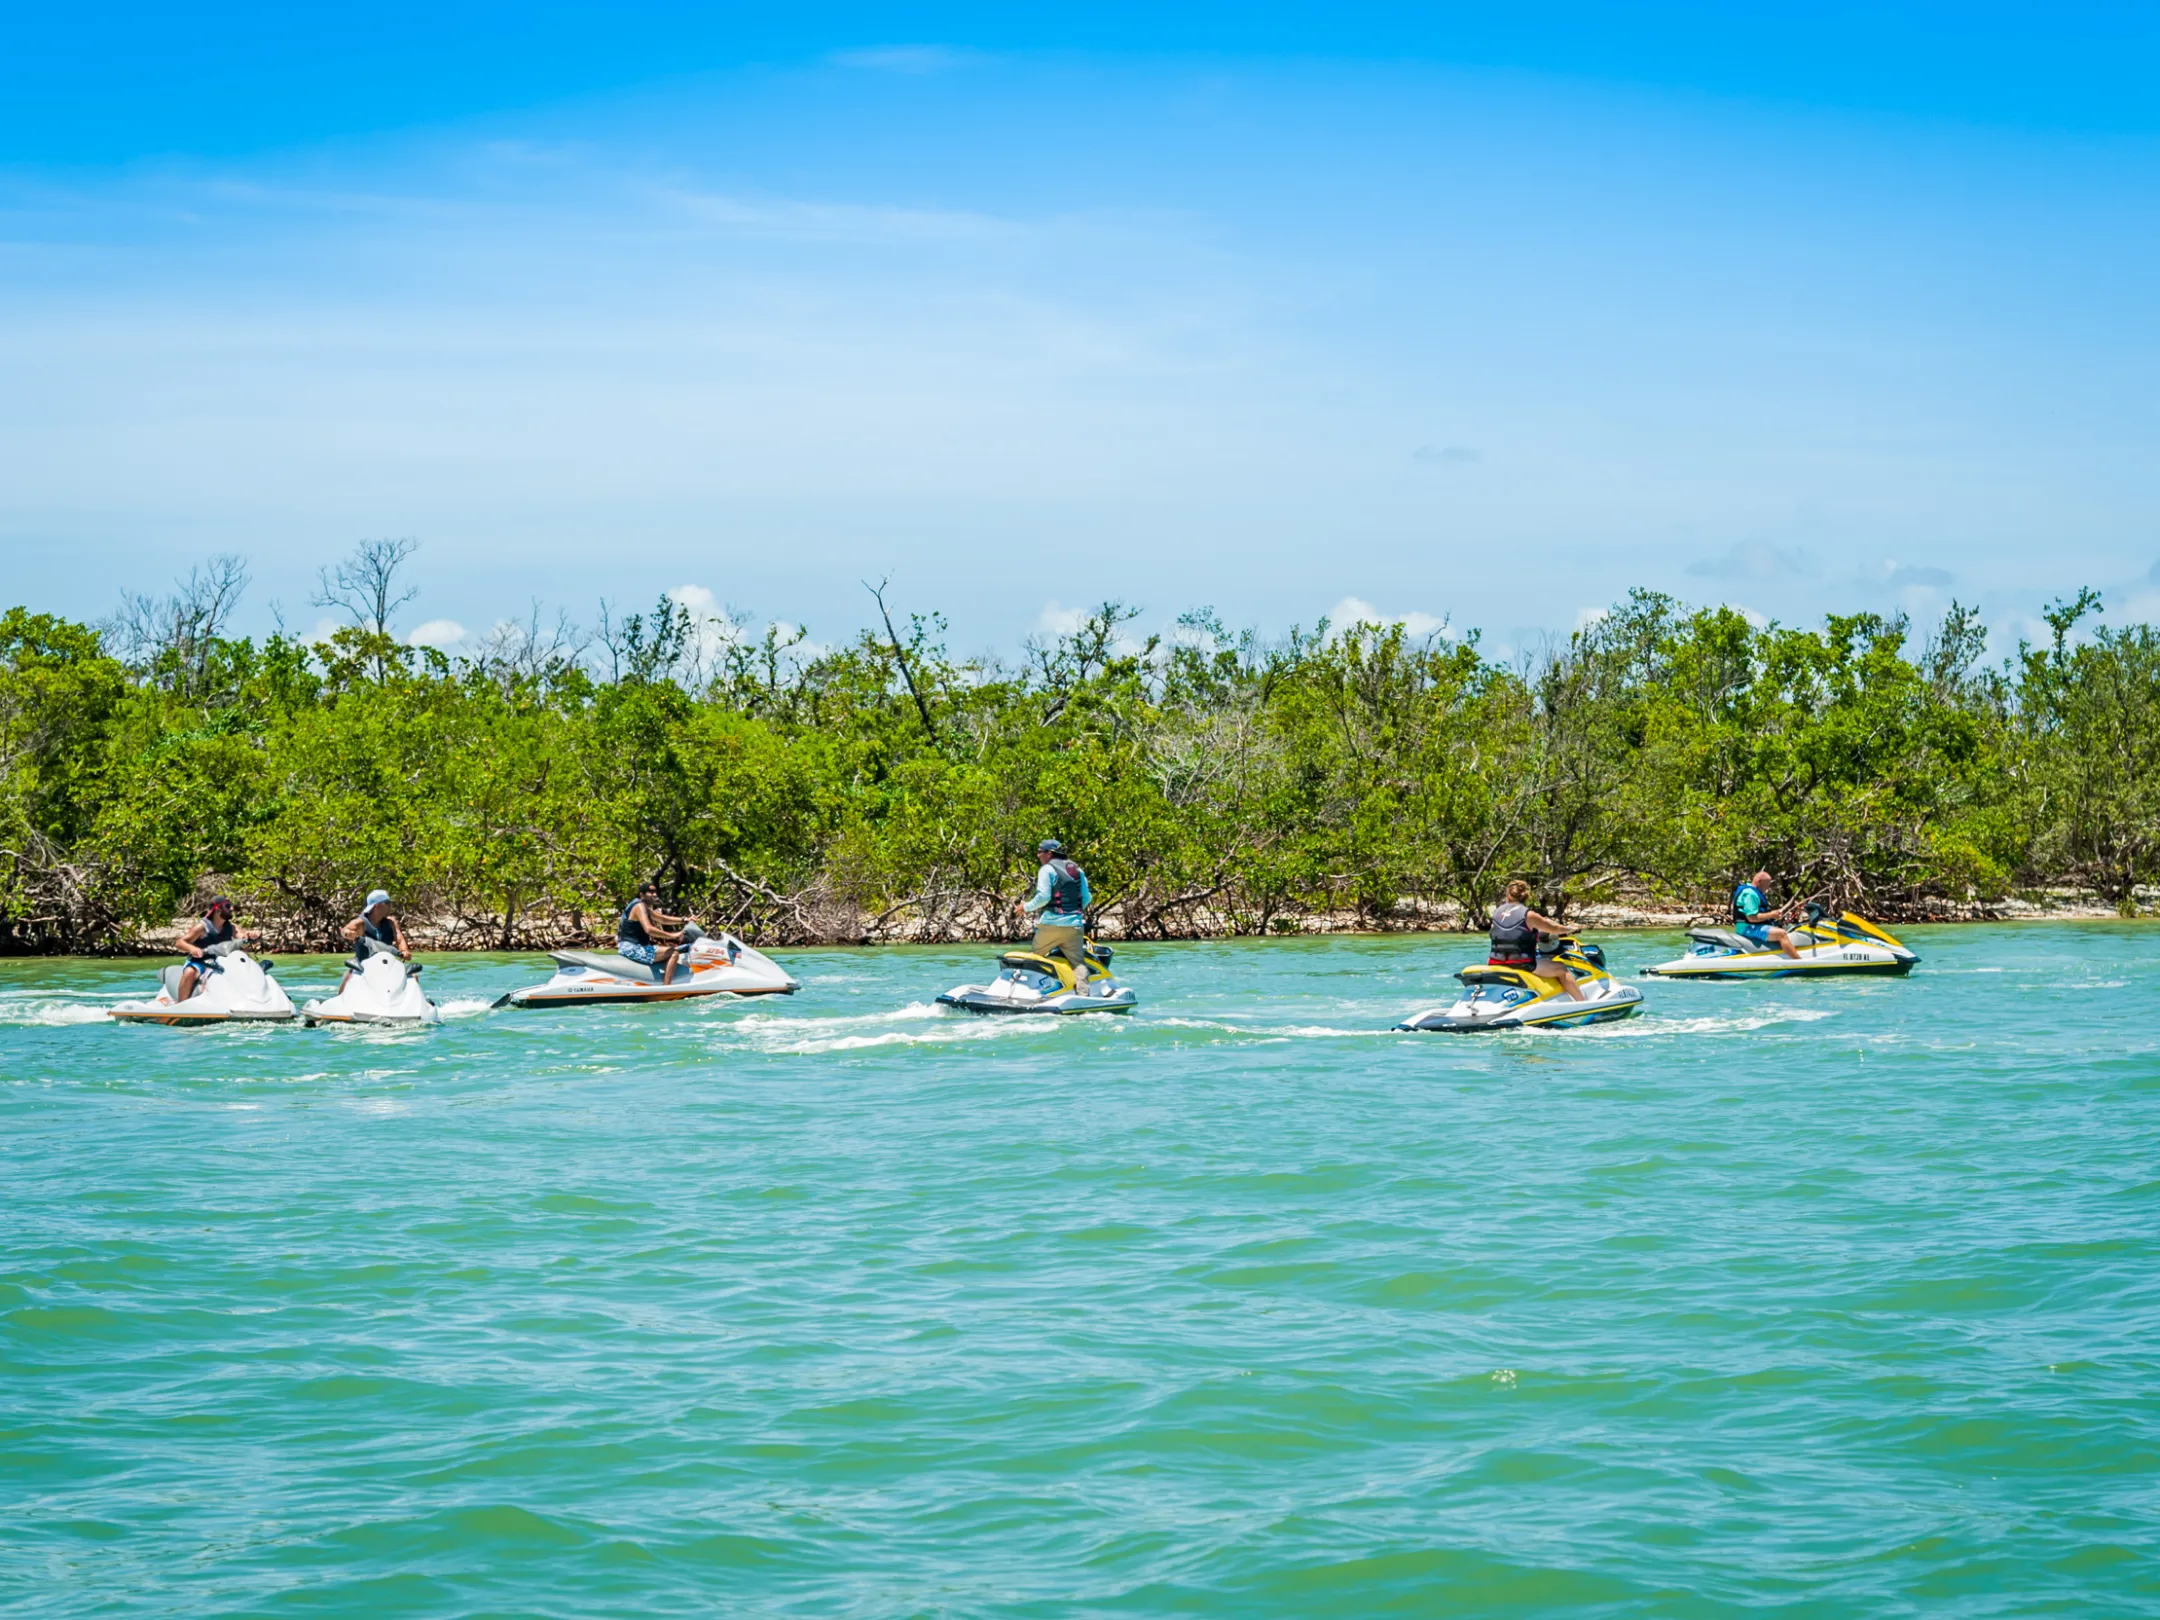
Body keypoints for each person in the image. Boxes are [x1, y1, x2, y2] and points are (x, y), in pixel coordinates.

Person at [1488, 879, 1586, 1000]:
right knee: (1561, 968)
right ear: (1526, 896)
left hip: (1495, 962)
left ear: (1507, 895)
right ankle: (1582, 1003)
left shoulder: (1497, 913)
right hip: (1521, 964)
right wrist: (1570, 928)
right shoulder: (1529, 915)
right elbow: (1554, 928)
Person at [1016, 839, 1093, 992]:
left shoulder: (1047, 869)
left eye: (1040, 852)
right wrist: (1073, 914)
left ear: (1049, 853)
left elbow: (1043, 897)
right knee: (1078, 963)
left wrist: (1025, 907)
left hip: (1051, 924)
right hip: (1075, 925)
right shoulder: (1078, 869)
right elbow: (1087, 898)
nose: (1038, 856)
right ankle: (1083, 997)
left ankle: (1026, 992)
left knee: (1033, 957)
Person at [174, 897, 260, 1002]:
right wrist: (192, 948)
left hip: (223, 961)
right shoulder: (202, 927)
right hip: (201, 961)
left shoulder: (231, 927)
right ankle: (181, 1005)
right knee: (189, 972)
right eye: (228, 906)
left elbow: (243, 938)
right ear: (218, 910)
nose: (232, 908)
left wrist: (251, 936)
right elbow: (179, 942)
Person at [338, 889, 413, 992]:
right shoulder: (361, 923)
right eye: (388, 903)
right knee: (349, 976)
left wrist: (404, 950)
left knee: (414, 976)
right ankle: (339, 1000)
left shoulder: (391, 923)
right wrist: (347, 934)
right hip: (363, 966)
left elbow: (399, 939)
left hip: (387, 965)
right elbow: (344, 930)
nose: (391, 906)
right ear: (378, 905)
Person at [618, 880, 690, 984]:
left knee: (675, 949)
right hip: (631, 948)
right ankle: (667, 988)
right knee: (673, 952)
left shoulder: (643, 906)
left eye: (655, 891)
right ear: (641, 894)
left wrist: (684, 920)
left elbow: (662, 919)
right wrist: (672, 935)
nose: (655, 894)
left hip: (632, 946)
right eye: (650, 892)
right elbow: (649, 929)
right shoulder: (639, 907)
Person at [1732, 869, 1804, 960]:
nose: (1767, 888)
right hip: (1747, 928)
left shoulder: (1752, 891)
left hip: (1750, 926)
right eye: (1767, 885)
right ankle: (1798, 961)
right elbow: (1751, 918)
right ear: (1759, 882)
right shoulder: (1750, 894)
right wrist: (1771, 915)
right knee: (1781, 934)